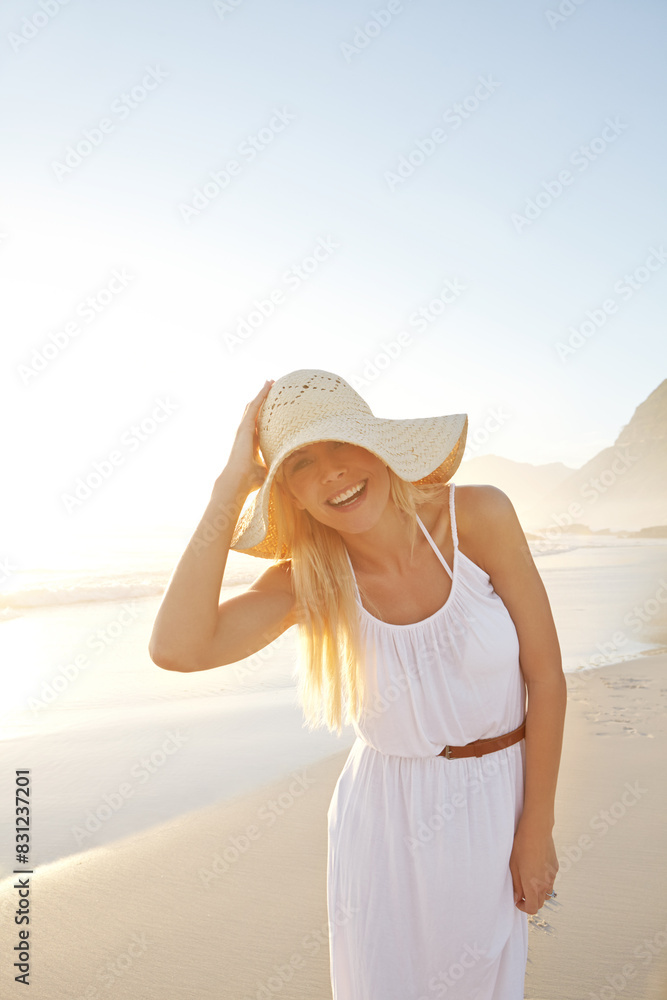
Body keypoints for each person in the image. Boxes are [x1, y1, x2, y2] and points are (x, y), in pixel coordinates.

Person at [149, 368, 567, 1000]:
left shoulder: (477, 517)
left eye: (342, 444)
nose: (333, 473)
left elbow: (547, 677)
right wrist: (228, 488)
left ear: (376, 443)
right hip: (382, 821)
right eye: (301, 464)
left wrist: (536, 831)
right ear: (287, 492)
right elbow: (177, 648)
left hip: (494, 803)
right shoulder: (308, 581)